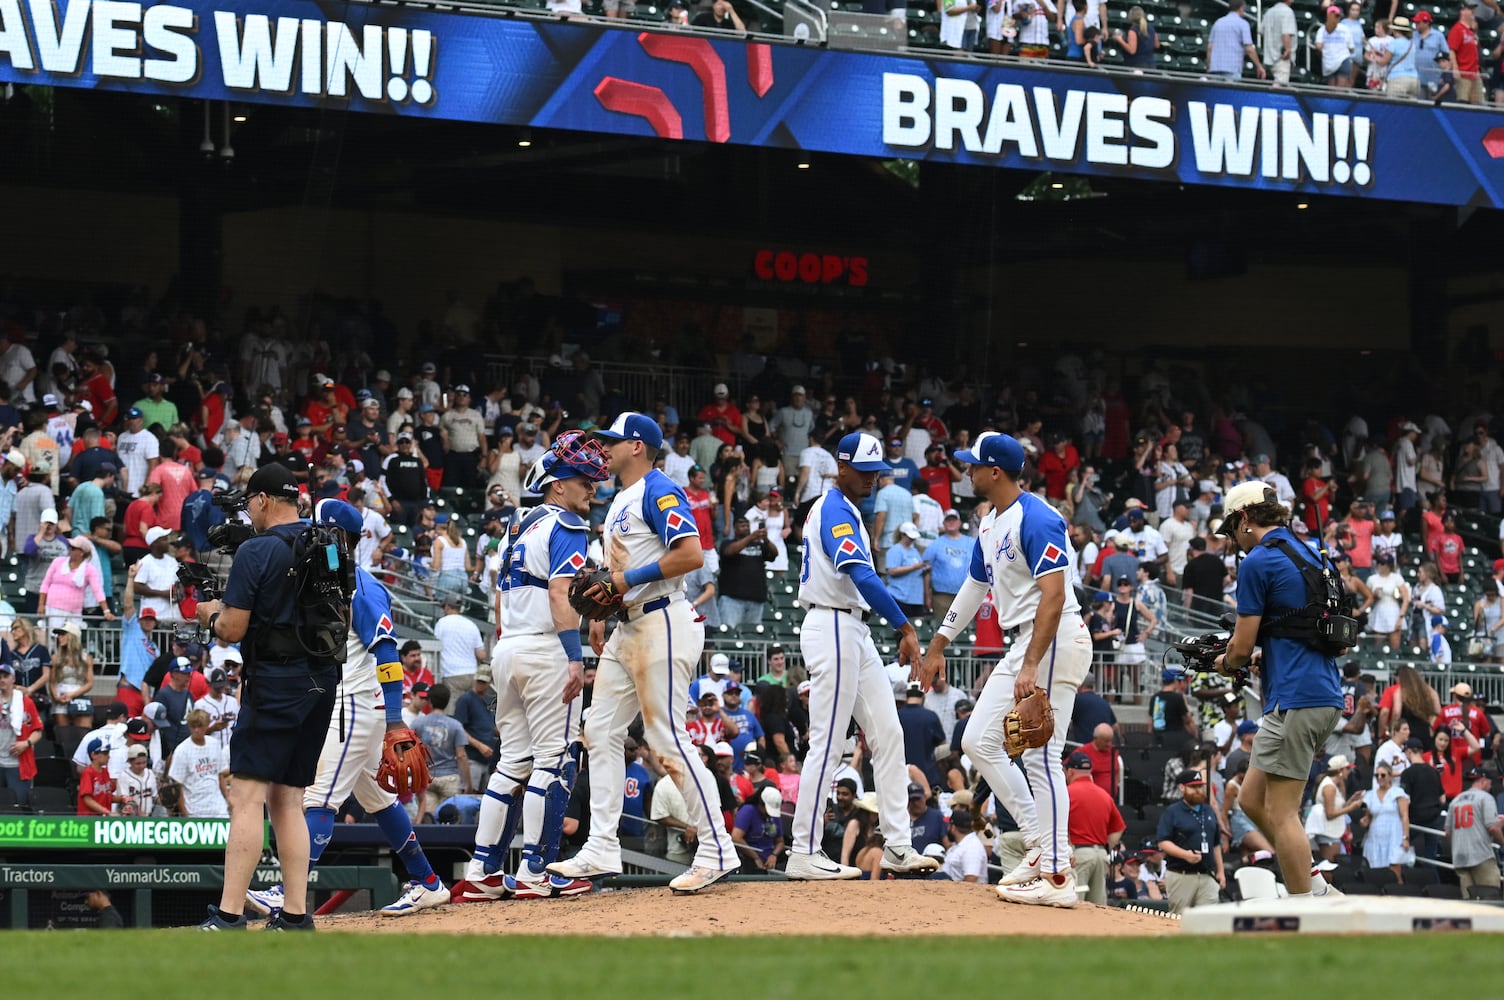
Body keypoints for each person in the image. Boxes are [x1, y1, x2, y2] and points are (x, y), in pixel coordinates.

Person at [546, 413, 738, 895]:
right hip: (628, 627)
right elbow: (616, 572)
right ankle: (602, 846)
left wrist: (622, 582)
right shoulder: (618, 501)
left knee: (666, 737)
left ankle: (718, 847)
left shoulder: (659, 489)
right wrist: (599, 613)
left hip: (663, 621)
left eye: (611, 441)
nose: (603, 449)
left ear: (637, 446)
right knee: (600, 728)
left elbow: (691, 555)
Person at [245, 499, 450, 920]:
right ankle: (428, 882)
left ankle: (288, 893)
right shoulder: (324, 580)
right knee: (379, 800)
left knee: (318, 799)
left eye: (314, 528)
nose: (305, 534)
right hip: (347, 704)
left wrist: (395, 721)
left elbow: (388, 652)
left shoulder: (360, 585)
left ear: (334, 537)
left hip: (357, 705)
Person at [921, 431, 1093, 906]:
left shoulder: (1038, 518)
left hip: (1054, 637)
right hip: (1028, 642)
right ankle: (1041, 844)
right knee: (977, 740)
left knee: (1040, 755)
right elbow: (974, 587)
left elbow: (1055, 596)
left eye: (972, 465)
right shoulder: (991, 523)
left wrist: (1033, 663)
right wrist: (938, 643)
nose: (966, 471)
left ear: (994, 471)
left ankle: (1058, 876)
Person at [452, 436, 607, 902]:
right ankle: (538, 872)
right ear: (558, 486)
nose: (591, 490)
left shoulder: (517, 524)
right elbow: (561, 596)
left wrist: (507, 644)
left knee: (512, 761)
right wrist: (576, 658)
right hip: (545, 650)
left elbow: (500, 596)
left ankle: (483, 871)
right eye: (584, 481)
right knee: (555, 759)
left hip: (509, 648)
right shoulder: (569, 526)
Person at [780, 431, 937, 882]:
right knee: (828, 744)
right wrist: (905, 626)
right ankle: (804, 851)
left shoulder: (848, 509)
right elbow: (860, 574)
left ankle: (898, 846)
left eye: (877, 473)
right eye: (864, 472)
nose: (871, 480)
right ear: (841, 468)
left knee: (888, 733)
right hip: (831, 623)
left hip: (853, 627)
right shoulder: (832, 508)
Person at [193, 463, 342, 931]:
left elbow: (233, 629)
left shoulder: (256, 551)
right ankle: (297, 915)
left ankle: (229, 916)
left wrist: (208, 615)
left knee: (247, 797)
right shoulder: (330, 543)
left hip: (277, 682)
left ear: (260, 500)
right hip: (322, 679)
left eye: (250, 503)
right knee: (288, 799)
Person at [1211, 481, 1344, 899]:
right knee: (1252, 799)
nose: (1232, 539)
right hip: (1320, 693)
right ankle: (1316, 884)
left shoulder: (1258, 562)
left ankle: (1308, 906)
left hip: (1293, 699)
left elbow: (1240, 645)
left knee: (1281, 812)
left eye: (1231, 529)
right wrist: (1257, 655)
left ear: (1244, 518)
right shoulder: (1311, 553)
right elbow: (1297, 627)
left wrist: (1226, 661)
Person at [1157, 769, 1224, 913]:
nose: (1198, 790)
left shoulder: (1209, 811)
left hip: (1207, 875)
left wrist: (1221, 871)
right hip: (1181, 875)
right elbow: (1163, 842)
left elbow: (1216, 843)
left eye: (1200, 786)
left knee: (1209, 918)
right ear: (1182, 788)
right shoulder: (1172, 812)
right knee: (1178, 919)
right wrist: (1186, 855)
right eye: (1193, 787)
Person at [1064, 751, 1125, 904]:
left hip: (1079, 854)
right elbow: (1119, 828)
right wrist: (1105, 847)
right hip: (1100, 855)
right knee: (1097, 906)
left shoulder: (1067, 793)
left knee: (1074, 903)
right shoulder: (1104, 795)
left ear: (1070, 771)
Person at [1446, 767, 1504, 893]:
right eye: (1490, 783)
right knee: (1490, 897)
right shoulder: (1485, 797)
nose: (1490, 786)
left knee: (1469, 903)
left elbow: (1448, 833)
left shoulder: (1455, 800)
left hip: (1460, 857)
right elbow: (1493, 827)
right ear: (1483, 781)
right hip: (1481, 855)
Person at [0, 661, 43, 807]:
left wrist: (26, 743)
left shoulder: (26, 702)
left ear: (13, 679)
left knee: (19, 806)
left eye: (5, 676)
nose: (2, 680)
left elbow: (37, 730)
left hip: (18, 764)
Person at [1361, 765, 1412, 881]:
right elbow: (1368, 817)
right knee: (1374, 871)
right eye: (1377, 775)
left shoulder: (1398, 792)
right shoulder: (1370, 794)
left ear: (1390, 776)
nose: (1380, 778)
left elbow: (1405, 816)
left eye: (1383, 775)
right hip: (1375, 837)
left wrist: (1405, 837)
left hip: (1393, 836)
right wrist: (1364, 821)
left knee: (1395, 871)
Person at [1207, 0, 1265, 78]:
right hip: (1232, 68)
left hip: (1215, 67)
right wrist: (1259, 66)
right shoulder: (1243, 24)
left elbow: (1210, 47)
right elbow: (1249, 49)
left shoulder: (1218, 23)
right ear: (1241, 8)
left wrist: (1208, 66)